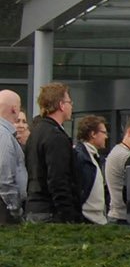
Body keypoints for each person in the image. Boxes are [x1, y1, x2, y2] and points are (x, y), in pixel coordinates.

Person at [23, 82, 81, 223]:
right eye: (69, 102)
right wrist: (68, 216)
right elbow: (58, 179)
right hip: (51, 212)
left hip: (33, 207)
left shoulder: (35, 132)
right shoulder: (56, 136)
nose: (71, 106)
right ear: (61, 105)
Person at [104, 114, 130, 227]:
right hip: (122, 218)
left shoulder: (118, 151)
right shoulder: (125, 156)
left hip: (118, 215)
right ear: (129, 132)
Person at [73, 114, 109, 225]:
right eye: (103, 133)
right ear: (93, 134)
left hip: (98, 219)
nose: (106, 137)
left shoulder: (95, 157)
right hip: (87, 219)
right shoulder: (80, 156)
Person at [0, 89, 27, 221]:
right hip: (5, 211)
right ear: (14, 109)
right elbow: (5, 178)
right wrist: (15, 209)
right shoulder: (4, 136)